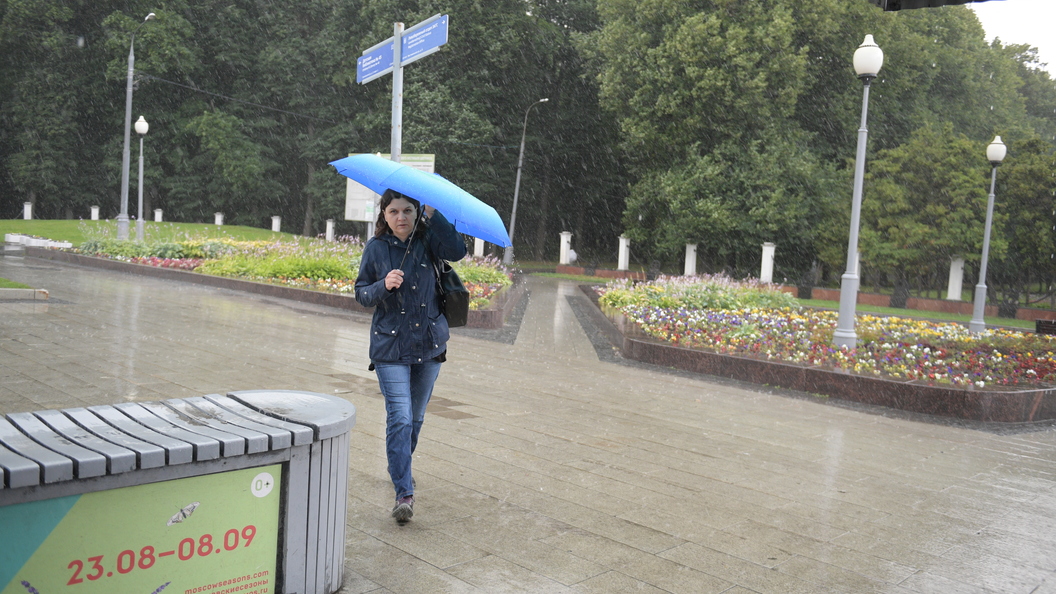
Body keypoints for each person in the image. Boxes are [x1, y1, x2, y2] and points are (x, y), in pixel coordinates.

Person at [354, 189, 467, 523]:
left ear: (417, 213)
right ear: (384, 216)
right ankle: (404, 491)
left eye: (407, 210)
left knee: (415, 419)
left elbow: (457, 251)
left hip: (429, 344)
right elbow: (361, 294)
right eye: (393, 211)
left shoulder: (429, 240)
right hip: (390, 348)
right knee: (400, 418)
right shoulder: (376, 249)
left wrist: (435, 215)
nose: (401, 217)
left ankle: (398, 466)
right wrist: (383, 285)